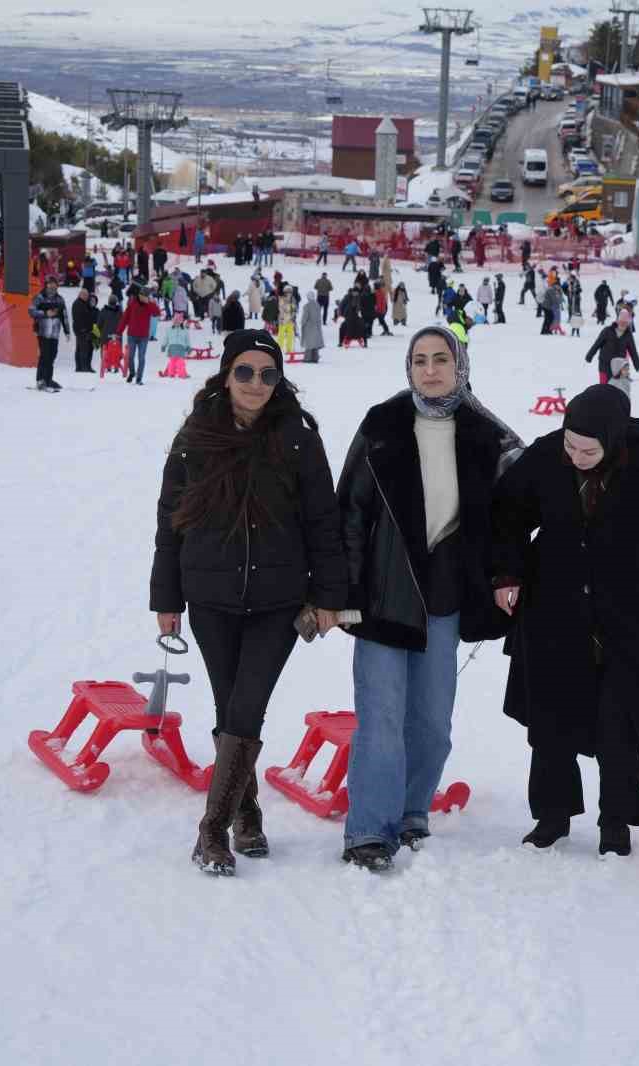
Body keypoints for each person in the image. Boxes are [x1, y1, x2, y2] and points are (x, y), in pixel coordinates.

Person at [490, 385, 639, 856]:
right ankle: (552, 816)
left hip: (628, 608)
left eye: (588, 449)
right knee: (552, 716)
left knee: (619, 720)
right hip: (553, 606)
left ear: (614, 440)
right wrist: (507, 573)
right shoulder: (544, 457)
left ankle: (616, 820)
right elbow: (508, 519)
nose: (576, 456)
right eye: (570, 445)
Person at [151, 330, 348, 877]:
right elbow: (170, 521)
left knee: (247, 705)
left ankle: (211, 828)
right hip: (209, 596)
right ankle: (247, 810)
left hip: (277, 601)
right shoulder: (196, 436)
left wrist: (330, 595)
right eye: (245, 372)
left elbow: (323, 523)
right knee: (227, 706)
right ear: (226, 373)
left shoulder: (298, 438)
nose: (256, 384)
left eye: (267, 374)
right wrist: (166, 597)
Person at [333, 327, 524, 870]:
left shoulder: (484, 435)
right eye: (420, 360)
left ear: (459, 365)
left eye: (441, 359)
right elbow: (349, 513)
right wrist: (341, 595)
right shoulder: (383, 426)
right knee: (381, 720)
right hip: (381, 600)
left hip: (444, 599)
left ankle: (412, 811)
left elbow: (515, 511)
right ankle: (370, 828)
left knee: (432, 722)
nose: (431, 369)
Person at [29, 276, 70, 392]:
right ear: (46, 285)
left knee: (52, 356)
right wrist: (45, 313)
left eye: (54, 284)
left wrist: (67, 331)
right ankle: (40, 380)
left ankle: (48, 379)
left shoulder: (60, 299)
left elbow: (64, 316)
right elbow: (31, 311)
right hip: (43, 332)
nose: (52, 286)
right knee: (44, 355)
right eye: (50, 284)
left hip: (55, 333)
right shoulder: (40, 297)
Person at [115, 287, 161, 385]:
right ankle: (132, 373)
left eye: (144, 296)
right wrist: (119, 332)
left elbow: (157, 313)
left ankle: (139, 378)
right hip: (132, 335)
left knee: (141, 358)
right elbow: (125, 318)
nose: (142, 297)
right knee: (130, 357)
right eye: (141, 295)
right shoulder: (132, 303)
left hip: (143, 336)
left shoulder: (149, 305)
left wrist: (150, 303)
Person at [585, 306, 639, 385]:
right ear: (617, 321)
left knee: (615, 388)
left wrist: (636, 363)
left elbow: (633, 350)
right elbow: (597, 344)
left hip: (618, 366)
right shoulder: (607, 330)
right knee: (603, 388)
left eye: (625, 323)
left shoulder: (628, 335)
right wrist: (589, 355)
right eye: (621, 322)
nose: (623, 324)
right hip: (604, 364)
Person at [160, 312, 193, 378]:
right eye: (175, 321)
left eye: (178, 321)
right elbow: (166, 338)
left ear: (181, 322)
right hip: (172, 348)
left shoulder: (185, 330)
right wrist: (163, 345)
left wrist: (189, 347)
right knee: (172, 361)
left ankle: (182, 374)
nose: (176, 322)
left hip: (181, 348)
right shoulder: (169, 329)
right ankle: (171, 373)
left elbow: (187, 340)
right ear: (173, 321)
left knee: (180, 362)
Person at [72, 290, 98, 373]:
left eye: (87, 295)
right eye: (85, 295)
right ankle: (83, 367)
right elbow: (78, 318)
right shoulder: (78, 304)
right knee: (83, 348)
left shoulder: (85, 304)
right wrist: (82, 328)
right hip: (81, 330)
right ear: (80, 295)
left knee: (83, 348)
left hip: (87, 330)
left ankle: (83, 366)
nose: (86, 297)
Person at [298, 287, 325, 364]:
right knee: (315, 344)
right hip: (317, 327)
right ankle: (315, 358)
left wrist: (302, 323)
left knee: (309, 344)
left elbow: (305, 317)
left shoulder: (307, 306)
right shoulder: (318, 305)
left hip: (309, 327)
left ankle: (307, 358)